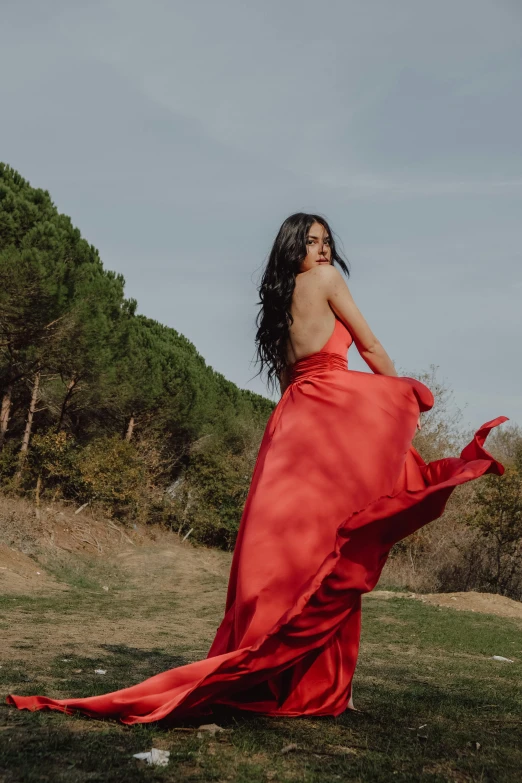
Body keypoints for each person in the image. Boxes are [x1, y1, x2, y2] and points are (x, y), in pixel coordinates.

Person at [7, 212, 506, 724]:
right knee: (337, 549)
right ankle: (326, 689)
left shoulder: (278, 304)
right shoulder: (327, 282)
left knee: (296, 557)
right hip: (331, 424)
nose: (323, 250)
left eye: (327, 242)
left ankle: (305, 681)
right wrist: (403, 399)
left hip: (291, 427)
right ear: (294, 249)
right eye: (311, 242)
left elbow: (296, 377)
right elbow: (369, 345)